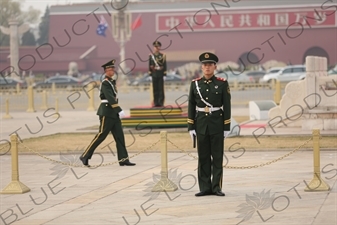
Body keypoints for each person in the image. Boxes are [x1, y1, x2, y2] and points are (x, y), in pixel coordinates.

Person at [187, 52, 231, 197]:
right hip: (201, 125)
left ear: (215, 67)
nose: (207, 67)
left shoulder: (222, 83)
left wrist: (226, 127)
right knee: (203, 157)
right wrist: (191, 126)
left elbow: (227, 105)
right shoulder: (195, 84)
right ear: (202, 67)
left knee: (217, 157)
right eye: (205, 65)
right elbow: (191, 105)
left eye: (210, 65)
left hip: (217, 124)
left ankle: (216, 187)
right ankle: (205, 187)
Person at [80, 59, 136, 167]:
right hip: (106, 112)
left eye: (113, 69)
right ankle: (85, 155)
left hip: (113, 113)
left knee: (119, 136)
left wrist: (117, 111)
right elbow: (110, 98)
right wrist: (119, 110)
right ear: (106, 71)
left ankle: (123, 159)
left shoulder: (111, 82)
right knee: (101, 135)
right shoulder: (105, 83)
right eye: (111, 69)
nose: (113, 71)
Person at [148, 40, 167, 107]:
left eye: (158, 47)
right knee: (155, 89)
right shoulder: (151, 56)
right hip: (154, 74)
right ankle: (156, 102)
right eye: (155, 47)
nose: (156, 48)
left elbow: (164, 65)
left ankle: (161, 102)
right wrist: (150, 74)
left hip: (160, 74)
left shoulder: (162, 56)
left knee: (160, 89)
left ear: (159, 47)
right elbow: (149, 65)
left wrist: (164, 74)